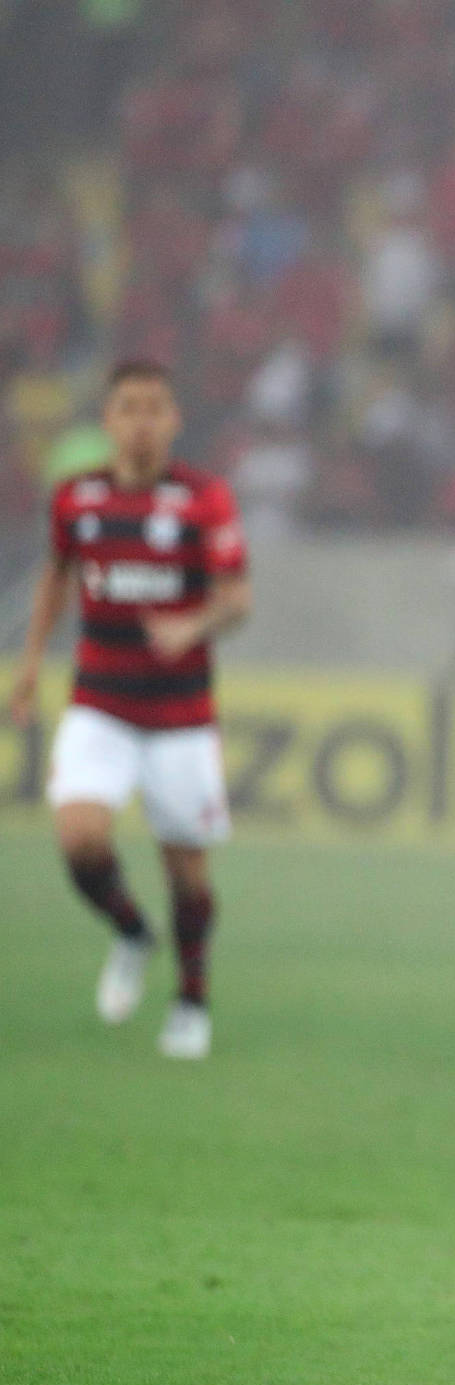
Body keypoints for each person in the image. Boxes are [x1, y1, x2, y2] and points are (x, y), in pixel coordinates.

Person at [8, 359, 249, 1061]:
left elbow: (237, 598)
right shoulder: (76, 500)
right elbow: (57, 576)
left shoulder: (204, 499)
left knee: (189, 874)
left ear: (173, 419)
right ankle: (132, 931)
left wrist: (192, 625)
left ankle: (192, 1001)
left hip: (180, 714)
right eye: (128, 407)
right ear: (108, 420)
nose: (142, 419)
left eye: (155, 407)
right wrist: (29, 664)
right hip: (101, 702)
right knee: (80, 841)